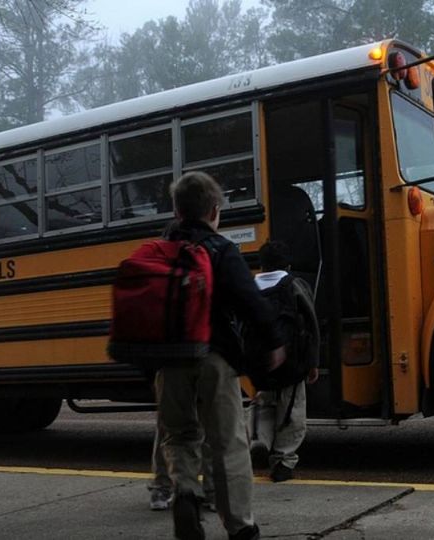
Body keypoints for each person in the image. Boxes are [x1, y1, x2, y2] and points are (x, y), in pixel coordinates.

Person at [156, 171, 286, 540]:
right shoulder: (220, 249)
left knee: (179, 436)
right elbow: (251, 302)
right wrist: (274, 342)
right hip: (215, 357)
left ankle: (184, 494)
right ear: (214, 210)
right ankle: (240, 527)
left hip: (170, 361)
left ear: (177, 211)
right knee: (228, 442)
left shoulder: (160, 252)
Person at [248, 241, 320, 483]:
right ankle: (283, 461)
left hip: (260, 364)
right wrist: (312, 362)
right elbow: (311, 325)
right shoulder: (295, 285)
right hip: (292, 363)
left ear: (261, 263)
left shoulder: (250, 287)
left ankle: (260, 441)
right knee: (292, 411)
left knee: (264, 404)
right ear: (287, 264)